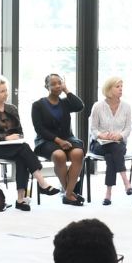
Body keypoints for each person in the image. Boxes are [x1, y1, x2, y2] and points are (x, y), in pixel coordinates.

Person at [0, 78, 48, 211]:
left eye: (6, 90)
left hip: (14, 147)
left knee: (22, 155)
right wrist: (6, 137)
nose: (6, 94)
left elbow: (20, 132)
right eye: (2, 91)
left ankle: (20, 200)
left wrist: (17, 137)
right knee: (24, 149)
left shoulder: (12, 109)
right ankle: (42, 182)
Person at [32, 73, 86, 206]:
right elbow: (40, 130)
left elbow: (80, 106)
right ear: (47, 86)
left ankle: (68, 193)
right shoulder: (38, 105)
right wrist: (59, 141)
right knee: (59, 155)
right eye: (53, 84)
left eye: (59, 83)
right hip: (46, 140)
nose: (57, 86)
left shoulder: (66, 103)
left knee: (78, 153)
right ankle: (70, 193)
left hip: (68, 138)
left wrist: (67, 90)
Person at [88, 76, 132, 205]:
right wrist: (102, 136)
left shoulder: (126, 107)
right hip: (99, 144)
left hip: (118, 144)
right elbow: (93, 129)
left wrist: (119, 136)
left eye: (121, 86)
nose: (121, 89)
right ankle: (126, 182)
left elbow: (128, 129)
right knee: (114, 150)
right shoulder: (97, 106)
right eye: (117, 86)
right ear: (109, 89)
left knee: (111, 154)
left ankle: (108, 194)